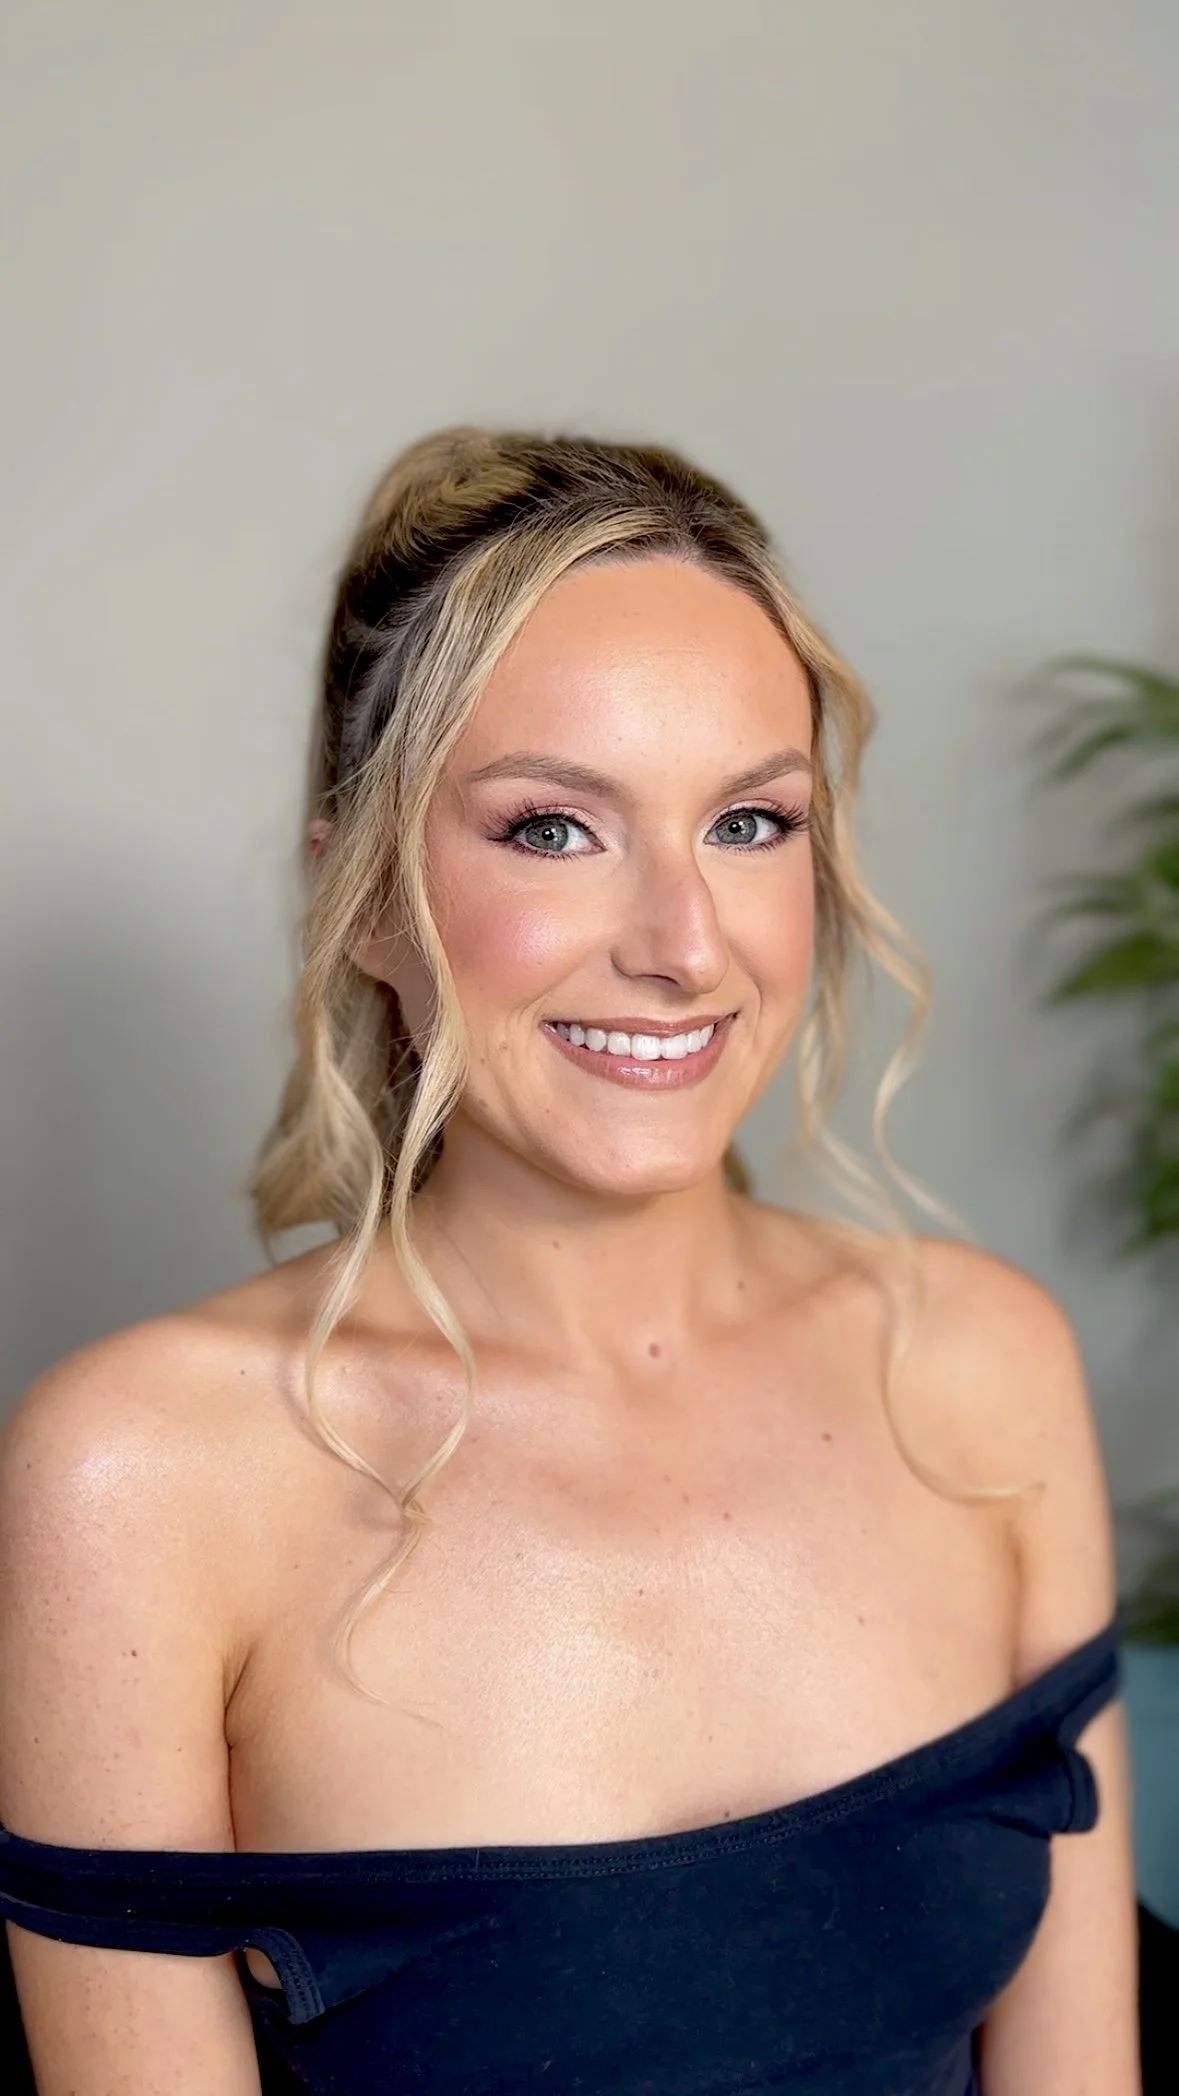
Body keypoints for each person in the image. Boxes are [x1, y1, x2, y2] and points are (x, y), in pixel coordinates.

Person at [0, 427, 1139, 2094]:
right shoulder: (140, 1482)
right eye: (552, 830)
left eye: (750, 823)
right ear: (367, 901)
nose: (682, 946)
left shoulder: (979, 1365)